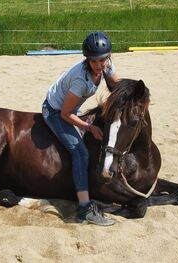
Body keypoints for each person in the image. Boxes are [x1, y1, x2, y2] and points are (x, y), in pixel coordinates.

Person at [42, 32, 120, 226]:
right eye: (94, 61)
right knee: (81, 153)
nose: (100, 65)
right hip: (55, 110)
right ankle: (84, 208)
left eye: (103, 59)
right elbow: (65, 114)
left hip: (73, 108)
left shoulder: (107, 65)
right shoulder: (80, 79)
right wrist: (89, 127)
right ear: (87, 59)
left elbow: (117, 89)